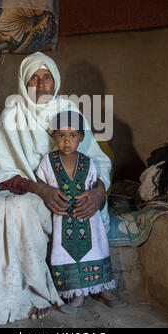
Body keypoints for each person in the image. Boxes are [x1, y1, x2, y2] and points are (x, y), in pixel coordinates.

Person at [0, 52, 119, 325]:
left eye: (47, 78)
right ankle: (21, 298)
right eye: (34, 78)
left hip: (61, 195)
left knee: (22, 210)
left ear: (56, 81)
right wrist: (41, 190)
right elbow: (5, 173)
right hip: (29, 189)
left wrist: (98, 192)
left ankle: (43, 292)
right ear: (23, 82)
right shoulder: (12, 114)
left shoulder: (69, 111)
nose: (41, 85)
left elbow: (97, 161)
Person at [36, 111, 115, 312]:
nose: (67, 141)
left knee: (97, 250)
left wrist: (92, 198)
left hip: (90, 221)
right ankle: (77, 296)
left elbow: (96, 187)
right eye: (61, 135)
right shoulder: (48, 161)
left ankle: (105, 289)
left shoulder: (88, 162)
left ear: (81, 138)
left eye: (72, 136)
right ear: (54, 137)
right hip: (64, 221)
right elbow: (40, 182)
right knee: (67, 255)